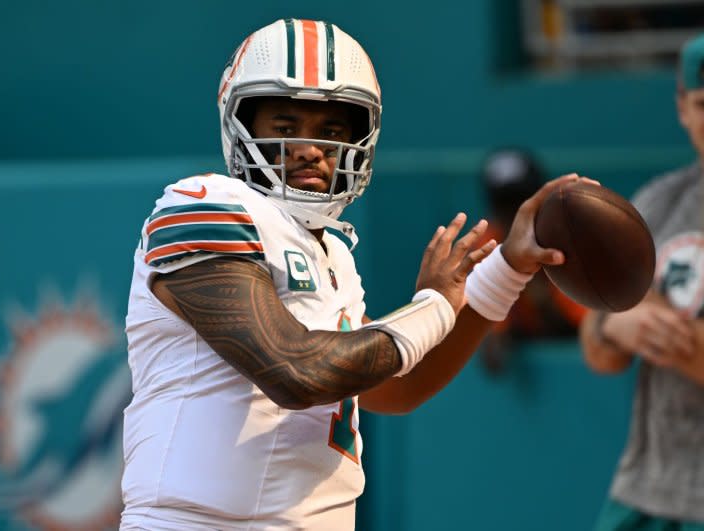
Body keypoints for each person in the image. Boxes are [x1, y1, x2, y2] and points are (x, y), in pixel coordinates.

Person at [120, 18, 582, 530]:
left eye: (333, 130)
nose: (310, 147)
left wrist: (508, 268)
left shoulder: (332, 252)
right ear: (242, 124)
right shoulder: (204, 205)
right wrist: (432, 306)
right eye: (285, 125)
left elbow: (398, 387)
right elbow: (295, 373)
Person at [579, 33, 704, 531]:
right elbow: (599, 353)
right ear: (682, 108)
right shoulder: (658, 203)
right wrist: (614, 325)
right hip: (647, 490)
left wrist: (675, 341)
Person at [479, 149, 587, 372]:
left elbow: (588, 333)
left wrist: (544, 302)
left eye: (522, 204)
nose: (516, 217)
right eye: (505, 207)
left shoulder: (566, 244)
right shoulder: (487, 245)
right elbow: (491, 344)